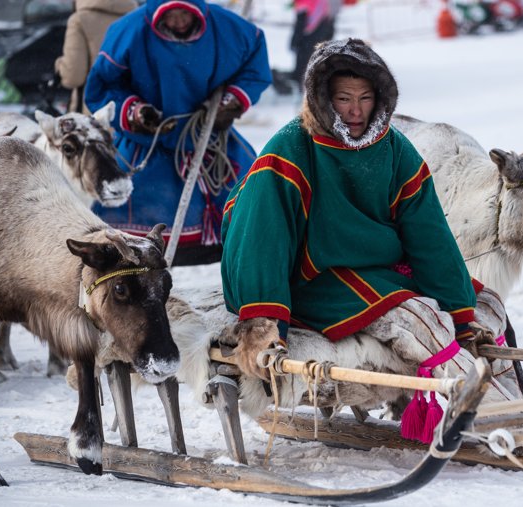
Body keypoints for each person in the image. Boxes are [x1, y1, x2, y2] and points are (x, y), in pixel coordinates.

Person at [221, 38, 482, 381]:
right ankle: (483, 407)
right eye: (344, 99)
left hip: (377, 270)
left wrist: (461, 316)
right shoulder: (290, 149)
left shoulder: (395, 149)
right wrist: (263, 320)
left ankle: (517, 412)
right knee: (418, 318)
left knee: (487, 304)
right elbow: (260, 238)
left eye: (365, 98)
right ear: (324, 100)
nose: (356, 112)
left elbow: (430, 236)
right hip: (308, 279)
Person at [84, 0, 272, 263]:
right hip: (147, 142)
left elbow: (255, 66)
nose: (179, 21)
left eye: (185, 13)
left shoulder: (228, 28)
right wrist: (135, 112)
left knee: (252, 199)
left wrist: (232, 102)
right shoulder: (129, 30)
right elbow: (102, 86)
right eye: (172, 15)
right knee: (122, 218)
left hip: (210, 137)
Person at [54, 0, 138, 114]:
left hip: (94, 112)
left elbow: (73, 77)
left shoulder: (80, 20)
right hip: (131, 112)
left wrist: (59, 67)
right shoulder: (137, 19)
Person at [272, 0, 340, 95]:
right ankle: (307, 88)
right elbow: (331, 18)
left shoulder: (305, 2)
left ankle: (302, 89)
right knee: (312, 65)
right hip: (321, 35)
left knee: (303, 67)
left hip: (308, 37)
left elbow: (301, 21)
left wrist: (295, 40)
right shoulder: (327, 3)